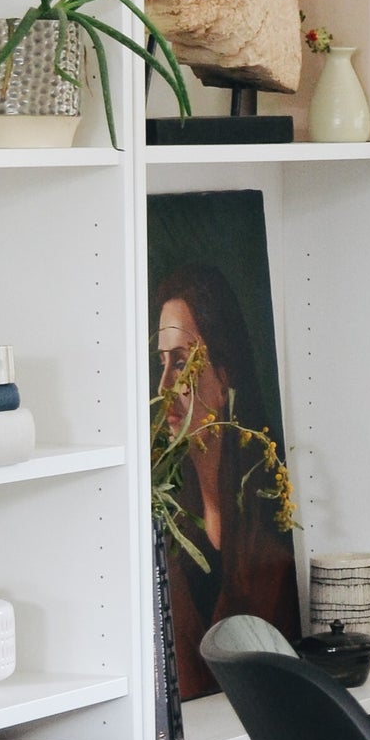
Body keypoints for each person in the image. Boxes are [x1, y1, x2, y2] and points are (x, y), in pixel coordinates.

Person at [154, 265, 300, 700]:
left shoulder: (269, 508)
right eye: (162, 364)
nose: (165, 387)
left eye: (182, 362)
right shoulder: (165, 507)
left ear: (225, 370)